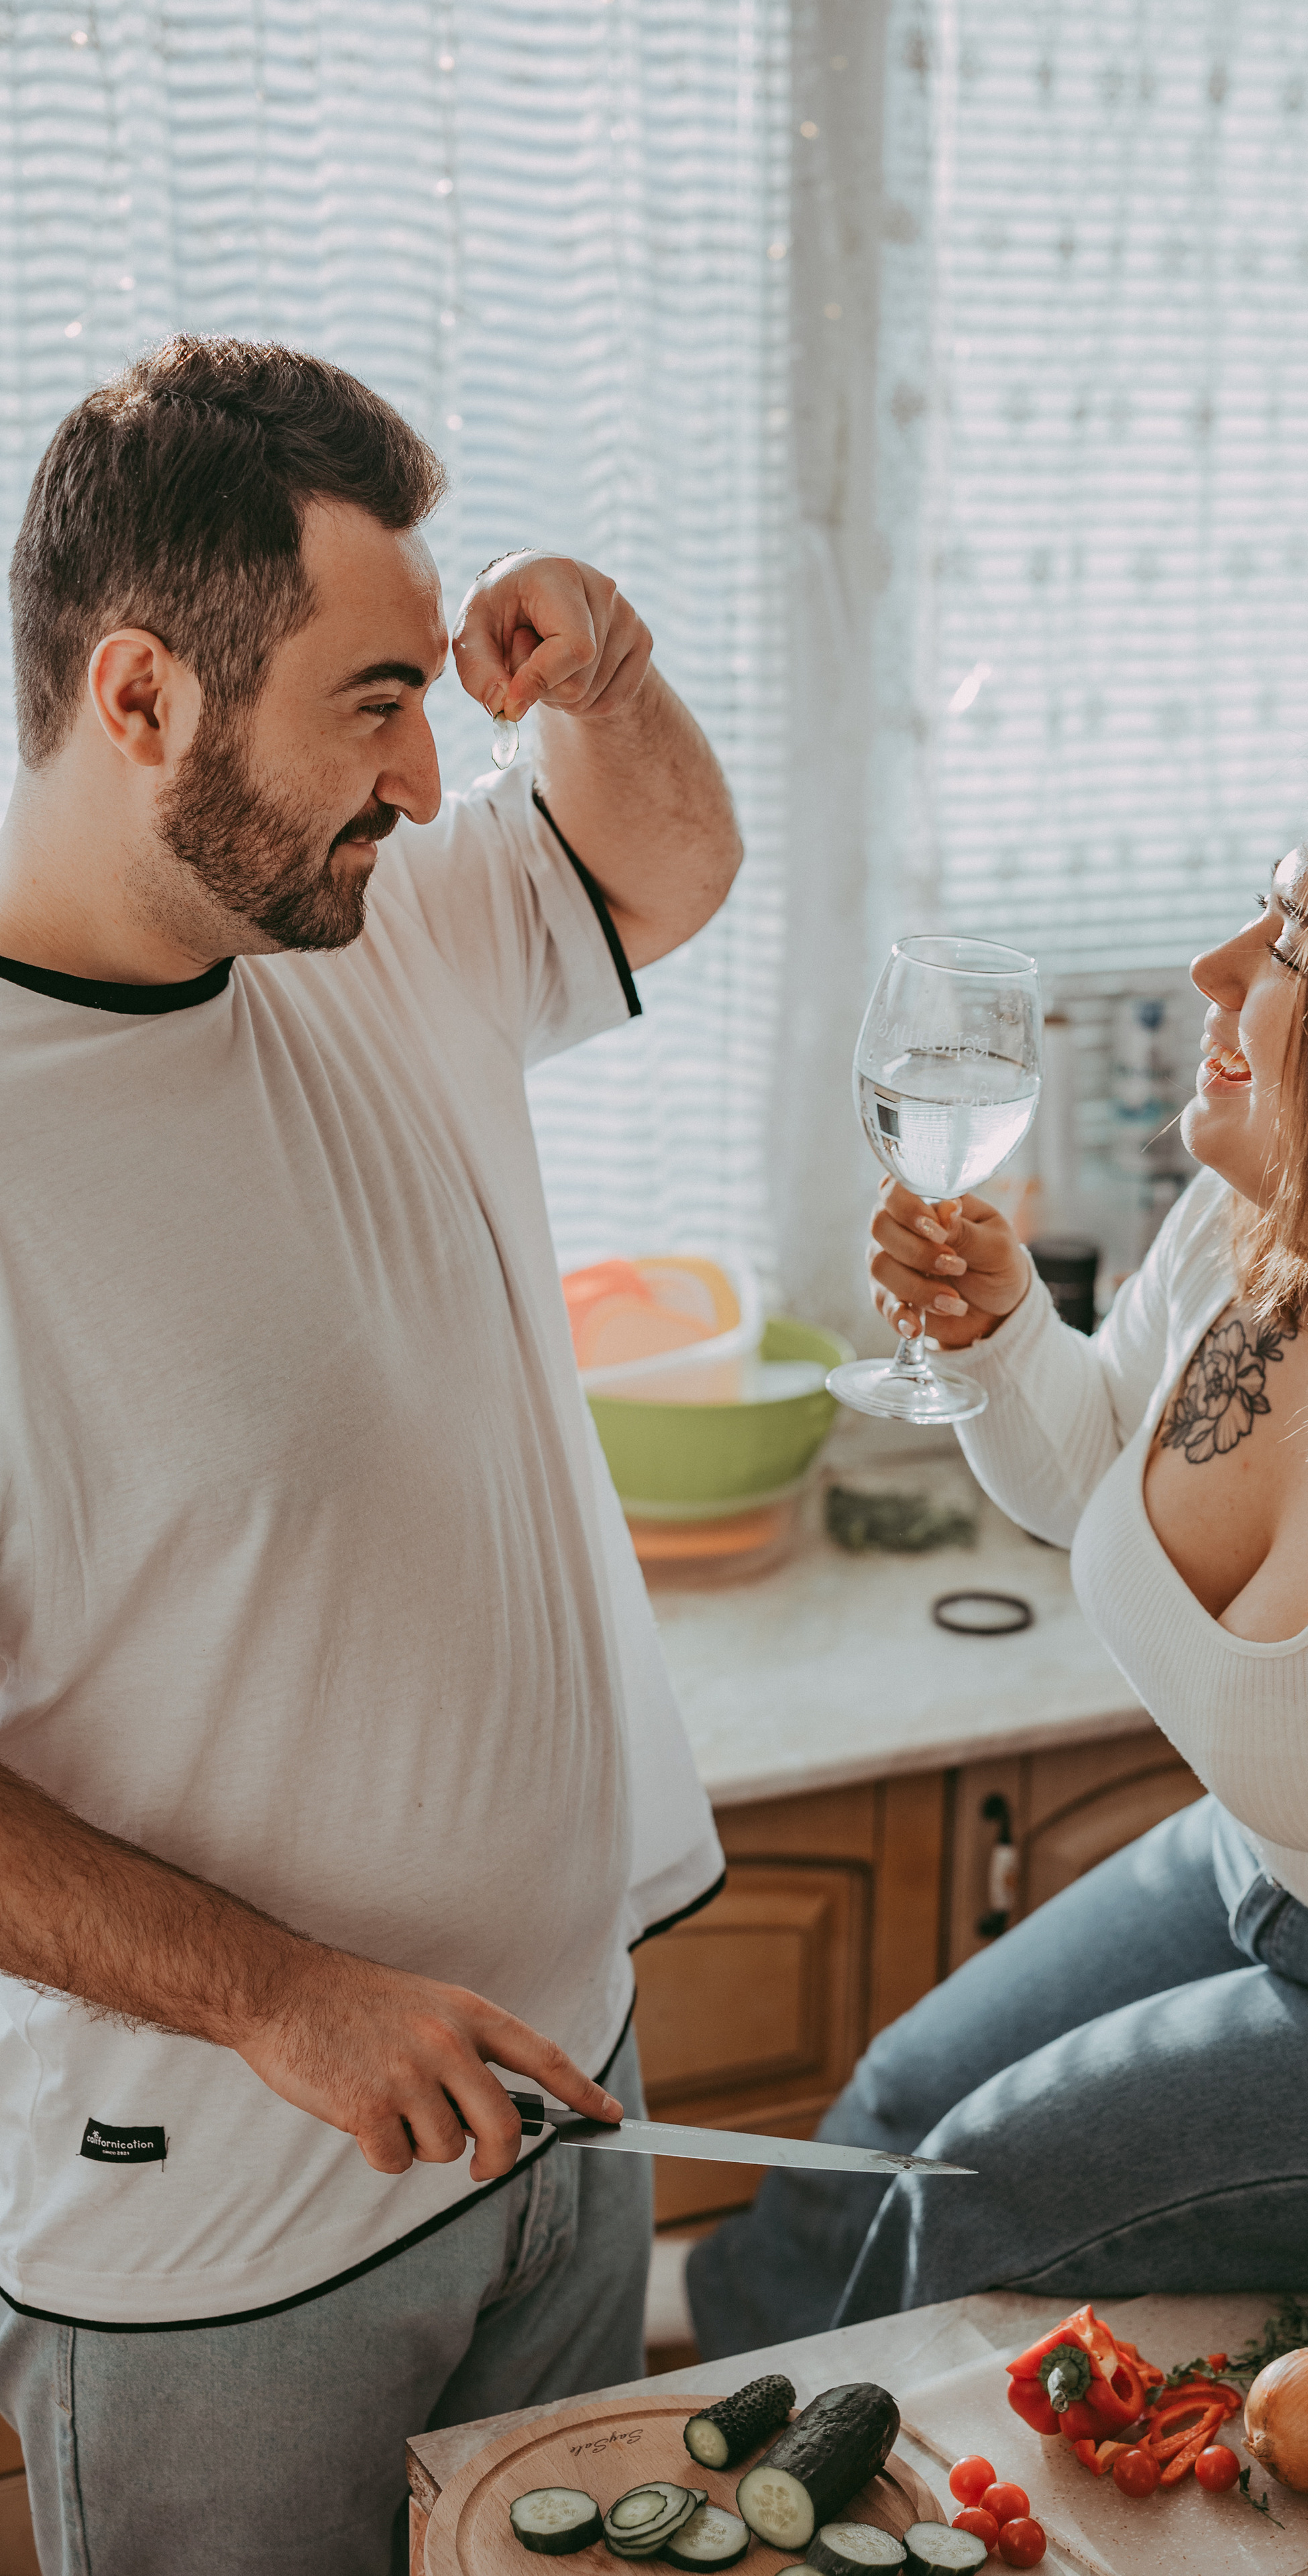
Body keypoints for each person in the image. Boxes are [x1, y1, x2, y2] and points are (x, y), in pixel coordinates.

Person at [689, 733, 1308, 2576]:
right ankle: (705, 2463)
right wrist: (1011, 1343)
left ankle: (806, 2536)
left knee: (976, 2184)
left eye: (1297, 938)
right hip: (1288, 1866)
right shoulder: (1269, 1223)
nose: (1213, 971)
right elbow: (1100, 1486)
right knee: (889, 2106)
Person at [0, 336, 741, 2576]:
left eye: (431, 700)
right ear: (142, 700)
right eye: (371, 703)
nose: (429, 781)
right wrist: (290, 2001)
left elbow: (671, 865)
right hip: (230, 2248)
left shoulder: (352, 915)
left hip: (565, 2112)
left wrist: (598, 670)